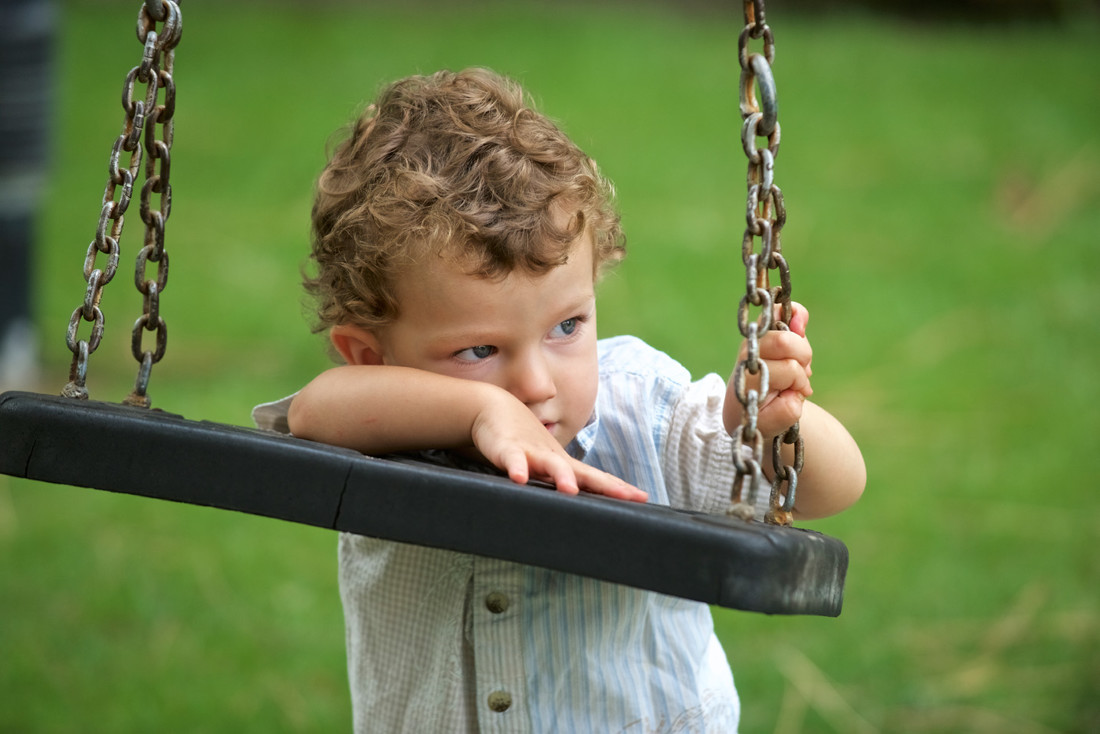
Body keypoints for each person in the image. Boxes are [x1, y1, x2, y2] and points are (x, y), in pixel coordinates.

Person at [253, 68, 865, 733]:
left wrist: (776, 424)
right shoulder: (380, 428)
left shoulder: (642, 412)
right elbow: (317, 410)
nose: (537, 385)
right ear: (372, 355)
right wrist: (480, 413)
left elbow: (832, 488)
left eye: (567, 327)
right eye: (479, 351)